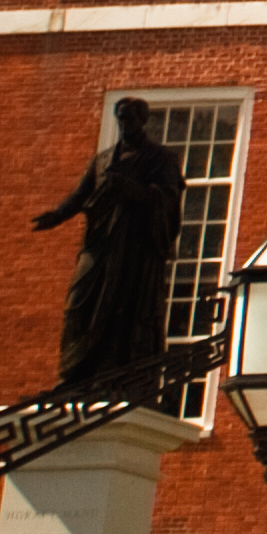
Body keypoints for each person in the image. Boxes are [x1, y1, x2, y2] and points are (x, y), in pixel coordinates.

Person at [35, 96, 185, 390]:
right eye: (121, 118)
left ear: (142, 121)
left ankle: (117, 376)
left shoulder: (161, 157)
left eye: (130, 118)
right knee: (78, 302)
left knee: (122, 310)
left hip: (134, 249)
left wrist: (133, 189)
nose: (124, 124)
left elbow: (168, 200)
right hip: (99, 241)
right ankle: (74, 374)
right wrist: (56, 215)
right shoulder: (103, 159)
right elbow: (81, 194)